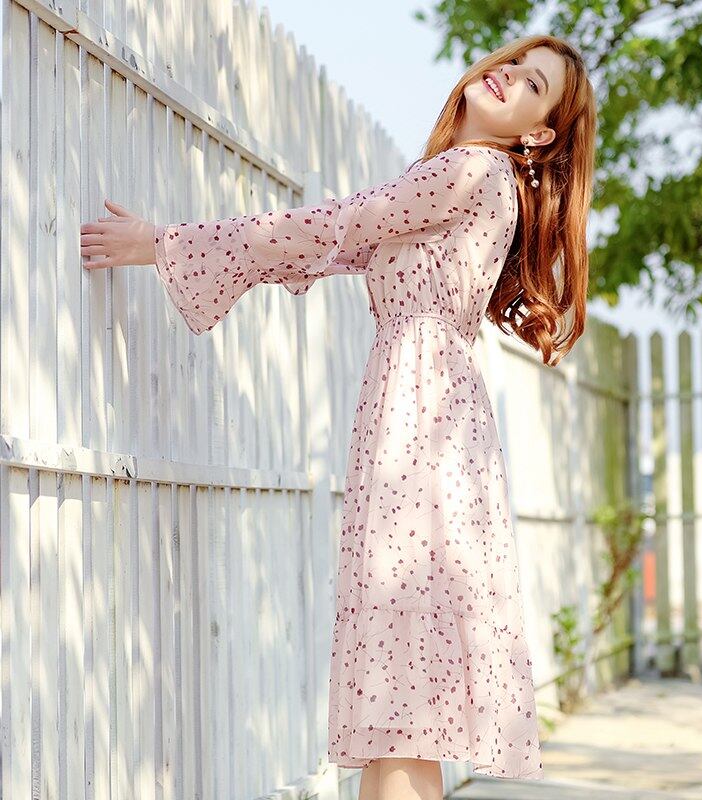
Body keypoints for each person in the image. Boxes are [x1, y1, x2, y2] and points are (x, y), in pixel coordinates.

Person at [80, 32, 595, 800]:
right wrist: (182, 251)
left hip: (420, 426)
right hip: (427, 417)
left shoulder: (470, 171)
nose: (507, 75)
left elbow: (331, 226)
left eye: (532, 85)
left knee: (401, 699)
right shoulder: (473, 181)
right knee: (398, 704)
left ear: (539, 135)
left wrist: (163, 244)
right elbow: (328, 247)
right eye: (513, 62)